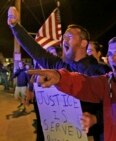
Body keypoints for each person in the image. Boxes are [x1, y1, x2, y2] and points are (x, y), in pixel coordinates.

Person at [8, 6, 108, 141]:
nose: (63, 40)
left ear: (83, 43)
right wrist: (15, 27)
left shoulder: (101, 71)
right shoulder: (59, 66)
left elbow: (114, 107)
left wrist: (96, 119)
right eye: (63, 37)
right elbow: (36, 51)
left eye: (69, 36)